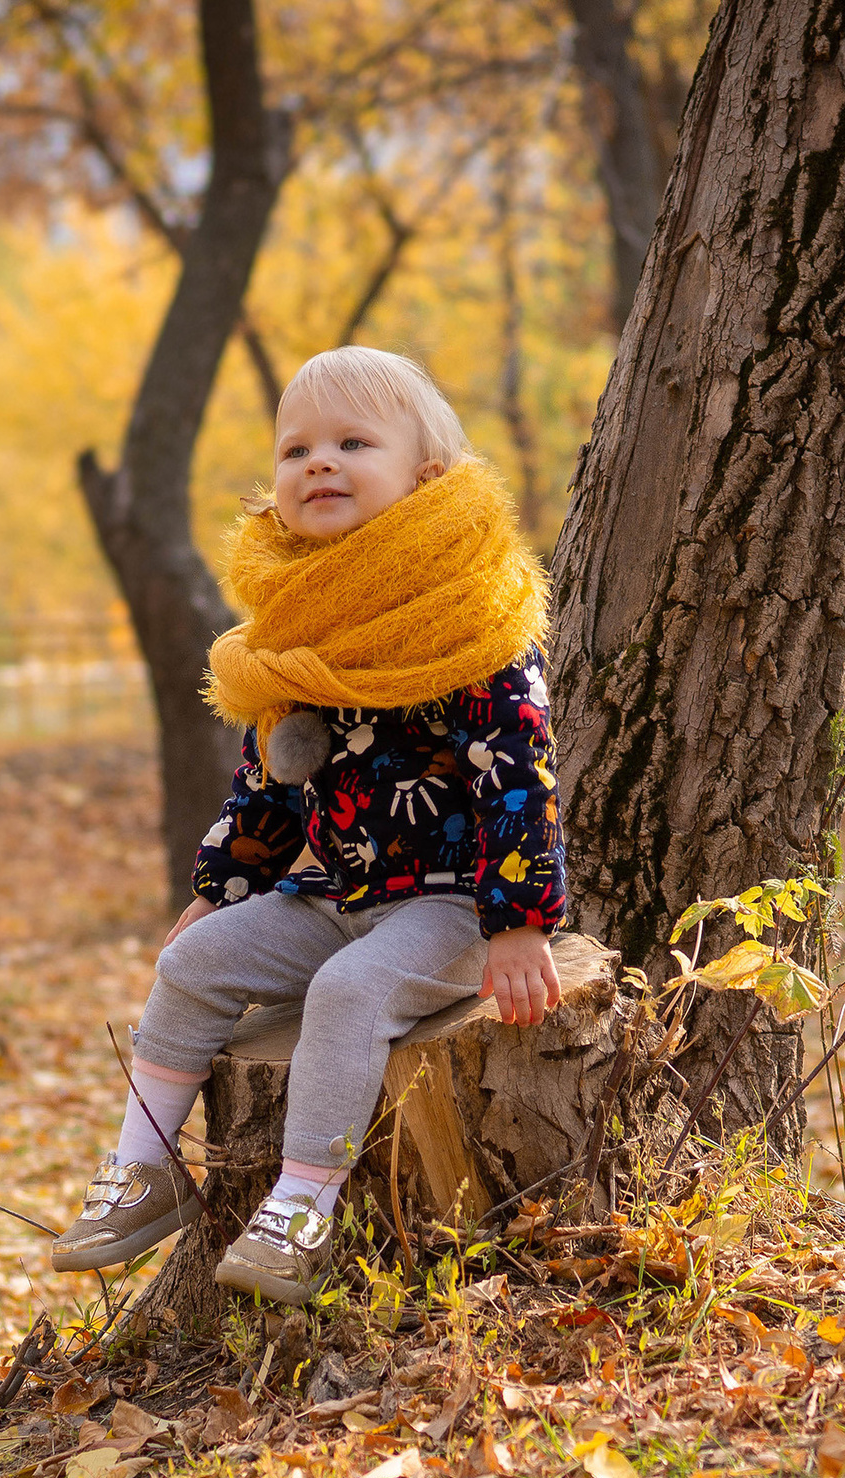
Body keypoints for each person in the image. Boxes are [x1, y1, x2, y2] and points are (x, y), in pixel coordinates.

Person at [50, 346, 567, 1302]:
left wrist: (522, 917)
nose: (318, 462)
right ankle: (145, 1167)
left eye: (352, 442)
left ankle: (301, 1203)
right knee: (191, 966)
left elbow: (518, 776)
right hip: (330, 892)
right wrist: (221, 890)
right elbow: (269, 783)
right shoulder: (297, 629)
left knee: (347, 991)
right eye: (297, 450)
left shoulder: (465, 620)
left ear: (426, 481)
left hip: (449, 909)